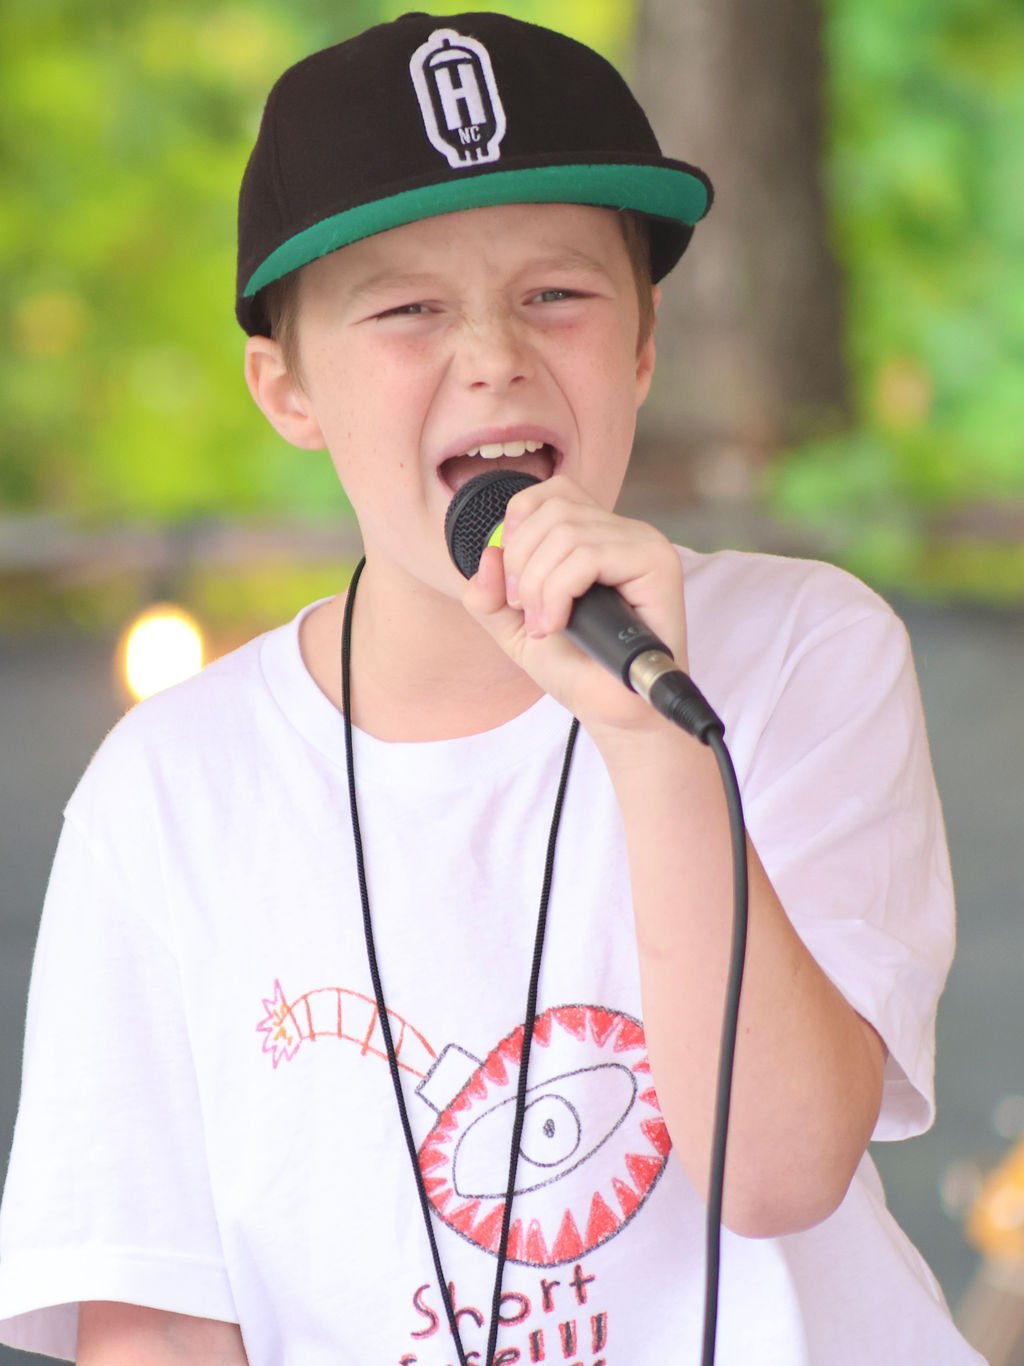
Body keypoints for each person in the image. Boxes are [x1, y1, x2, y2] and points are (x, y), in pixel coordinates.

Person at [0, 11, 982, 1364]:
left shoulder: (805, 645)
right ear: (286, 389)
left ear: (643, 347)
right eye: (407, 308)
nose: (494, 354)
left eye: (557, 295)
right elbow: (155, 1323)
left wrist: (652, 740)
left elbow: (777, 1171)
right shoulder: (169, 789)